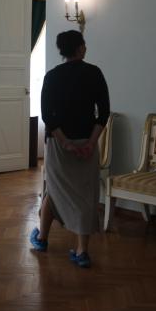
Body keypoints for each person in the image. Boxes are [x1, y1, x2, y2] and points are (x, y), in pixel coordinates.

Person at [32, 30, 110, 268]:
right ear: (79, 48)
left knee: (54, 191)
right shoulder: (94, 73)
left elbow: (48, 115)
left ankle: (42, 239)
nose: (85, 48)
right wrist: (91, 142)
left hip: (59, 144)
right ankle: (82, 251)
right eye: (83, 44)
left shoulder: (52, 76)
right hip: (86, 142)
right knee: (86, 195)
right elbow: (103, 112)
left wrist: (65, 142)